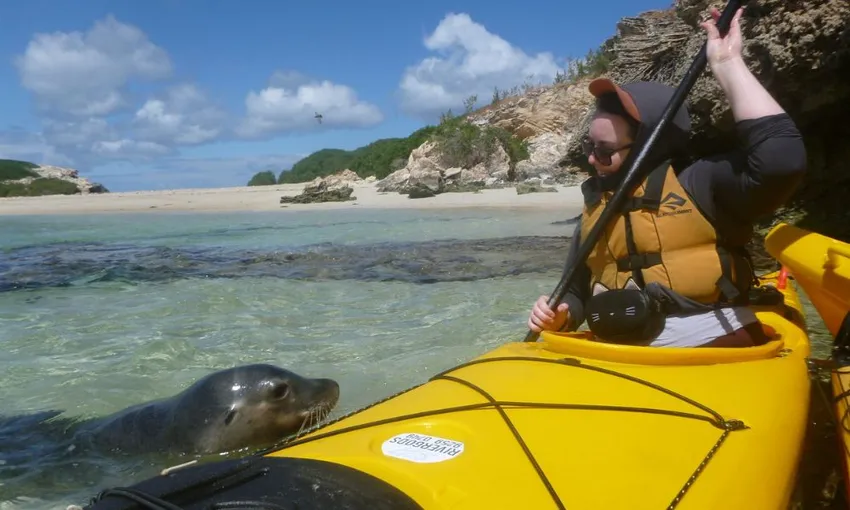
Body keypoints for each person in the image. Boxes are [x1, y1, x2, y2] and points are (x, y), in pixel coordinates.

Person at [527, 6, 807, 348]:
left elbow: (782, 161)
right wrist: (561, 314)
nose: (590, 159)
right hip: (619, 347)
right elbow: (576, 289)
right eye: (589, 145)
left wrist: (727, 64)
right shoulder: (595, 208)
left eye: (604, 150)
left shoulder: (701, 182)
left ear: (649, 147)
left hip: (712, 336)